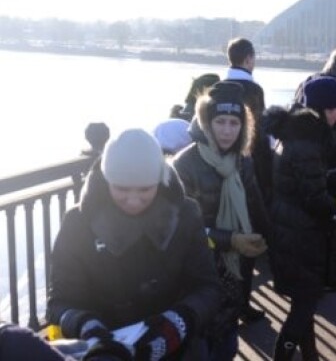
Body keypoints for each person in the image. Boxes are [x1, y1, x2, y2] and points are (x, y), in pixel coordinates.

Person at [46, 128, 222, 361]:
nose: (133, 200)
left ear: (160, 180)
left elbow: (208, 288)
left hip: (176, 349)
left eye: (145, 189)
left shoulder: (185, 214)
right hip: (105, 352)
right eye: (121, 188)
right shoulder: (78, 223)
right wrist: (87, 326)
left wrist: (178, 322)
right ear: (107, 178)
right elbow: (61, 300)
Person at [173, 81, 270, 358]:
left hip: (234, 273)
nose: (228, 130)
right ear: (206, 122)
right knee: (201, 345)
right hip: (197, 275)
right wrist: (231, 240)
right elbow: (182, 231)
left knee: (227, 340)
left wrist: (271, 239)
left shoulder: (243, 160)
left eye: (234, 123)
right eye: (220, 122)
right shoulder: (184, 164)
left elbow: (256, 206)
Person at [264, 76, 336, 360]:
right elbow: (315, 198)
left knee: (305, 303)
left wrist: (335, 178)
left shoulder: (296, 135)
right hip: (301, 234)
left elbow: (304, 181)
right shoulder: (306, 143)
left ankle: (310, 355)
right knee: (304, 305)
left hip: (289, 228)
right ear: (320, 109)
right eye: (334, 109)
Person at [224, 37, 273, 209]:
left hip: (224, 155)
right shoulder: (254, 90)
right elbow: (259, 127)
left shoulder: (219, 87)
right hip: (251, 157)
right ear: (248, 58)